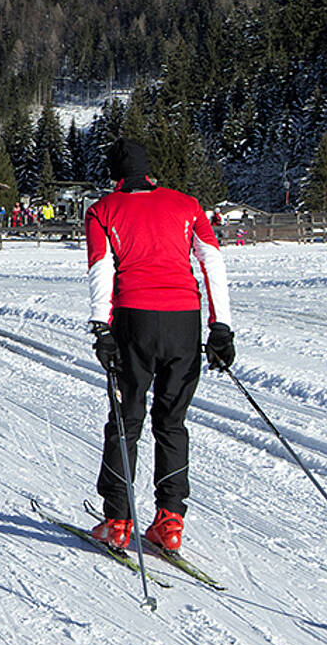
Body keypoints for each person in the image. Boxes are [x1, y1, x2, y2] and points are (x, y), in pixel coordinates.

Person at [85, 137, 233, 554]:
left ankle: (117, 520)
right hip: (184, 322)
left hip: (135, 318)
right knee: (171, 422)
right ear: (149, 169)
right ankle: (170, 521)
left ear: (114, 173)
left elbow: (101, 268)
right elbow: (212, 261)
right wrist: (220, 327)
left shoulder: (102, 211)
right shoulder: (188, 205)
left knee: (126, 419)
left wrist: (102, 327)